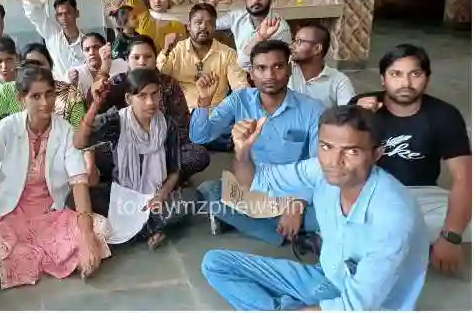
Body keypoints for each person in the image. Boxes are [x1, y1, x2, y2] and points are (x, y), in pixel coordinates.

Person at [202, 105, 429, 310]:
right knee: (216, 264)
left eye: (352, 151)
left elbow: (356, 306)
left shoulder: (392, 215)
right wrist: (242, 152)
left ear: (376, 154)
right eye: (326, 147)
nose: (334, 161)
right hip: (327, 277)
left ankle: (286, 306)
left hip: (370, 305)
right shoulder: (320, 170)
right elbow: (254, 181)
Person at [0, 66, 111, 289]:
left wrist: (88, 237)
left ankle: (29, 262)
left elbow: (79, 184)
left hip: (53, 217)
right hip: (12, 217)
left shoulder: (65, 131)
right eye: (36, 96)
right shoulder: (7, 127)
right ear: (22, 98)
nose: (45, 103)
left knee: (102, 228)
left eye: (49, 94)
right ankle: (57, 258)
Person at [350, 44, 471, 274]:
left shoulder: (444, 115)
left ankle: (389, 246)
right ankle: (403, 245)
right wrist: (357, 119)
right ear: (383, 79)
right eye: (396, 74)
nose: (405, 83)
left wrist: (452, 237)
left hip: (422, 194)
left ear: (427, 78)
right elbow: (341, 164)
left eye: (414, 74)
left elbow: (464, 178)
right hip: (370, 191)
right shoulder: (362, 105)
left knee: (466, 217)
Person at [192, 40, 324, 248]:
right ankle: (295, 235)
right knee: (209, 192)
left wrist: (297, 205)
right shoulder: (239, 100)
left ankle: (260, 224)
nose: (269, 76)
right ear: (251, 74)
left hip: (296, 190)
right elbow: (200, 137)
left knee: (328, 210)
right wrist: (204, 101)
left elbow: (319, 164)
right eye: (261, 68)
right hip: (253, 188)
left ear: (289, 69)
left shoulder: (312, 109)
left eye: (278, 67)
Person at [75, 68, 199, 249]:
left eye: (155, 94)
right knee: (76, 198)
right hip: (122, 195)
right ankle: (152, 229)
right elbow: (79, 143)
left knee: (191, 197)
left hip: (154, 197)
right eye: (142, 96)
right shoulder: (116, 120)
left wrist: (161, 195)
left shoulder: (167, 124)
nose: (150, 102)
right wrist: (95, 105)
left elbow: (174, 170)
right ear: (128, 99)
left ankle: (132, 230)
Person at [91, 34, 210, 181]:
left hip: (163, 149)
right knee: (95, 154)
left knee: (198, 154)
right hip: (126, 150)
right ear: (127, 60)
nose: (142, 62)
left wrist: (156, 147)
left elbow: (182, 127)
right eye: (136, 57)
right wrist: (103, 70)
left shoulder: (168, 84)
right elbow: (96, 116)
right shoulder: (118, 83)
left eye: (147, 57)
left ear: (155, 58)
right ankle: (144, 177)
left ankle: (154, 177)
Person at [157, 3, 248, 112]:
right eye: (198, 22)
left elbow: (240, 87)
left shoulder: (227, 53)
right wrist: (166, 50)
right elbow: (160, 77)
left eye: (209, 23)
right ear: (189, 26)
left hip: (215, 115)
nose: (204, 26)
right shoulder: (176, 49)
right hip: (181, 115)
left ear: (215, 27)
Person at [0, 43, 85, 127]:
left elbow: (79, 134)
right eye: (29, 65)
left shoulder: (70, 94)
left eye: (39, 64)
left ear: (50, 66)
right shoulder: (11, 90)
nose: (35, 70)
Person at [14, 0, 85, 81]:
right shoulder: (52, 34)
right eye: (60, 14)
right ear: (56, 17)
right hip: (57, 94)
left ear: (77, 13)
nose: (64, 17)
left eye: (68, 13)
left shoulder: (88, 43)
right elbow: (31, 5)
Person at [209, 0, 292, 73]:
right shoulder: (237, 17)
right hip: (238, 76)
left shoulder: (280, 28)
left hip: (267, 79)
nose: (256, 0)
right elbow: (210, 24)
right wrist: (213, 2)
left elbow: (284, 66)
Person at [289, 24, 355, 107]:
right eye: (293, 41)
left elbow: (349, 113)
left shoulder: (339, 81)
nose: (292, 46)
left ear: (317, 48)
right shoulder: (285, 70)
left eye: (299, 41)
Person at [68, 33, 128, 99]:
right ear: (83, 53)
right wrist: (73, 85)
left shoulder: (121, 65)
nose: (91, 52)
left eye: (96, 47)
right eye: (87, 50)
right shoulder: (76, 74)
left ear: (105, 47)